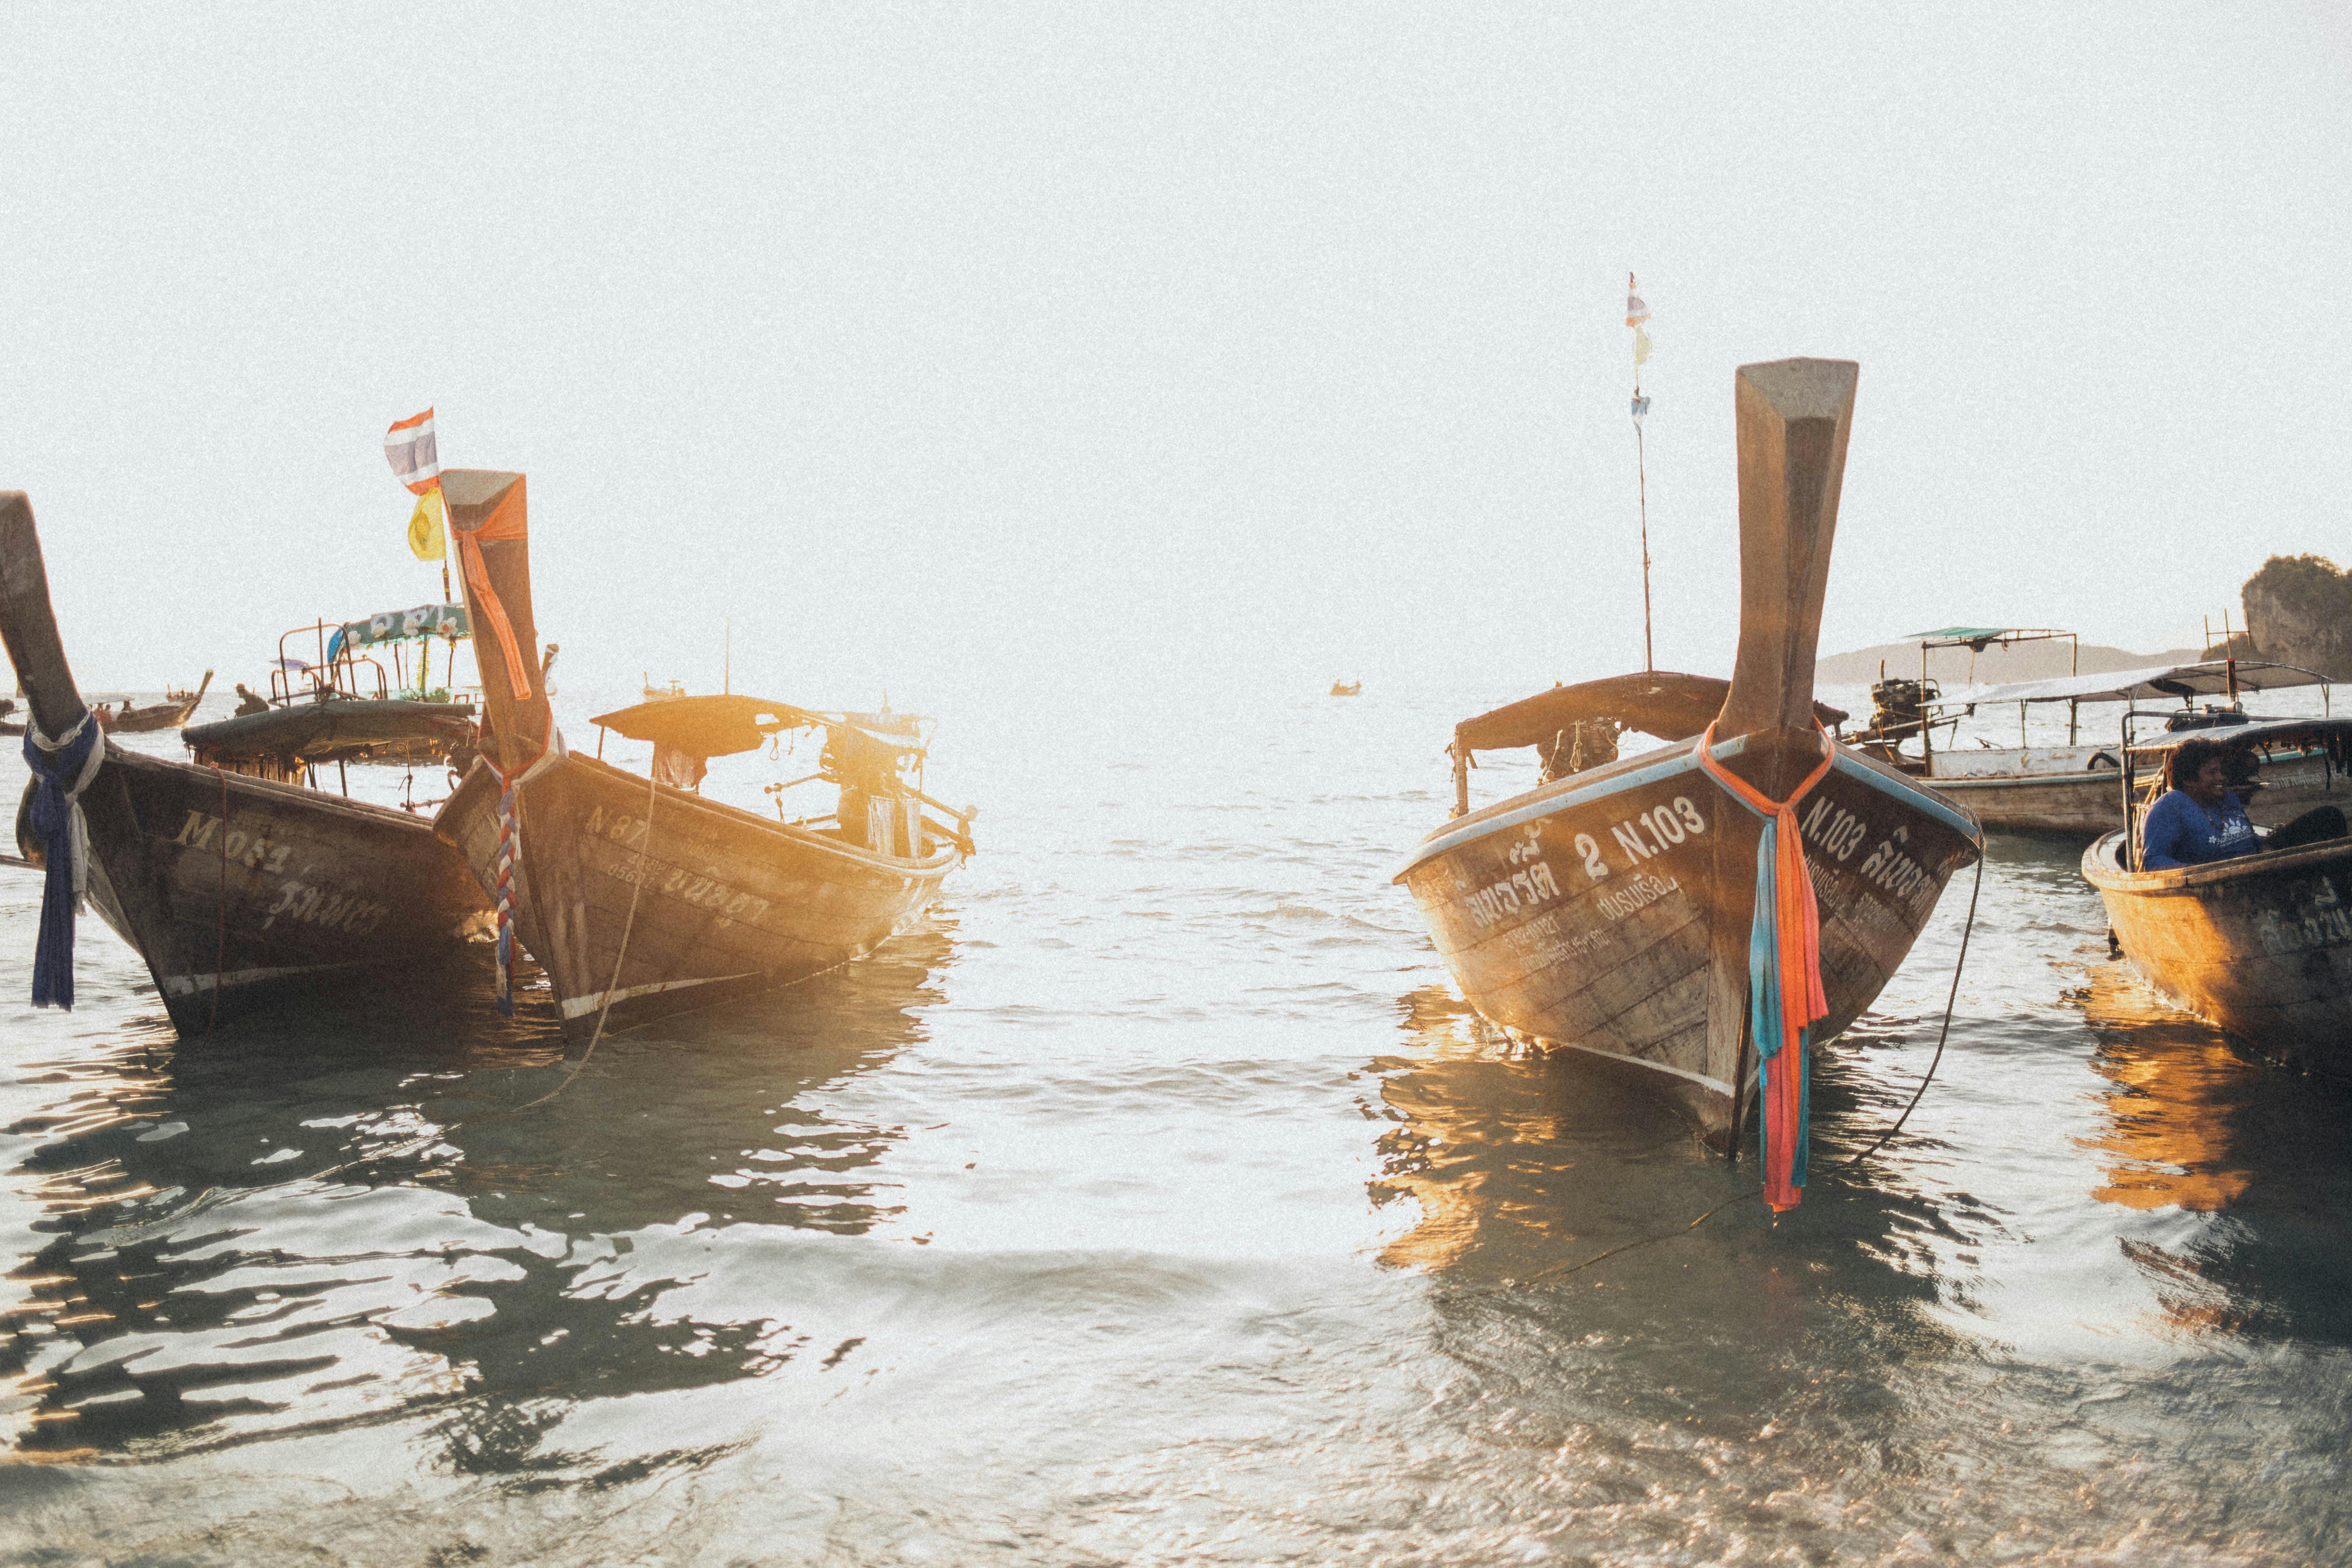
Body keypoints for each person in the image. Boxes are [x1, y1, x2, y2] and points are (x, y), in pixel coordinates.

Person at [2138, 737, 2257, 870]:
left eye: (2221, 772)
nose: (2222, 778)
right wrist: (2198, 871)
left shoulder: (2229, 799)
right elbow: (2153, 861)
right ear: (2189, 779)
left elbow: (2251, 841)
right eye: (2213, 772)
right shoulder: (2170, 806)